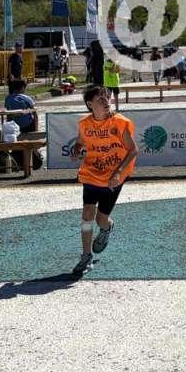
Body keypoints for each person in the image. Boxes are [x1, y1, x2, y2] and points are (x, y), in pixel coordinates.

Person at [68, 84, 137, 276]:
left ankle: (107, 228)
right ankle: (86, 256)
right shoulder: (84, 124)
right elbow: (80, 143)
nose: (106, 101)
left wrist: (118, 172)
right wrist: (76, 150)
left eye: (107, 97)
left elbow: (133, 150)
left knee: (101, 219)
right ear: (90, 104)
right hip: (91, 173)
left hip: (113, 176)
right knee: (87, 212)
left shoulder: (119, 123)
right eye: (100, 99)